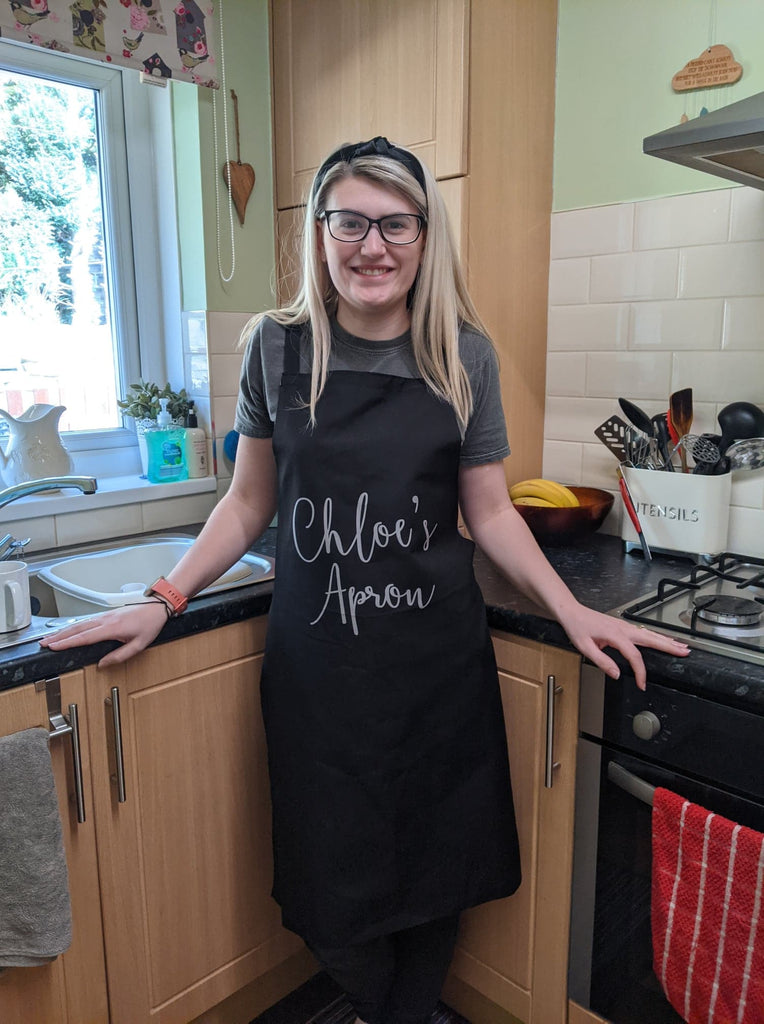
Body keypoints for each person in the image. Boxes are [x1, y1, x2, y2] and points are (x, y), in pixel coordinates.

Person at [42, 136, 690, 1024]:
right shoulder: (276, 347)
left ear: (426, 237)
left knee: (438, 876)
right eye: (350, 221)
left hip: (437, 669)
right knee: (328, 894)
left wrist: (573, 612)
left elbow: (491, 511)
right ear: (320, 232)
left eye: (396, 224)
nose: (372, 246)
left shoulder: (462, 354)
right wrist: (165, 597)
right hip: (320, 678)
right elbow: (247, 501)